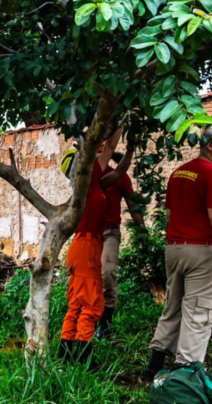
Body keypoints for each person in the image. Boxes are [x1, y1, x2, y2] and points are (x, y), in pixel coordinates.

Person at [141, 127, 212, 381]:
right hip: (204, 252)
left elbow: (169, 215)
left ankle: (154, 366)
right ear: (210, 145)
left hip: (175, 249)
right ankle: (183, 378)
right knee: (200, 312)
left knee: (173, 306)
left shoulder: (179, 173)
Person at [58, 128, 123, 371]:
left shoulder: (88, 183)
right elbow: (108, 149)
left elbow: (109, 153)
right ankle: (85, 355)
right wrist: (119, 123)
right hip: (87, 248)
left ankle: (65, 352)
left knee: (76, 303)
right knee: (92, 304)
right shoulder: (89, 180)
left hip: (80, 246)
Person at [96, 141, 147, 339]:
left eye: (102, 154)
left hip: (109, 232)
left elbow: (132, 202)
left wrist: (142, 230)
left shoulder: (119, 177)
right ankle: (86, 322)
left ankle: (105, 325)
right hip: (89, 233)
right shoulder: (86, 177)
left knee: (108, 274)